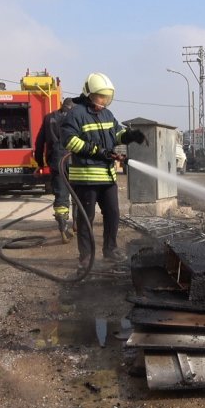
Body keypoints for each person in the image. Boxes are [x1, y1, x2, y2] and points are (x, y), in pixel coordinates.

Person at [60, 72, 146, 266]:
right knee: (86, 219)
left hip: (107, 177)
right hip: (86, 178)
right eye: (101, 96)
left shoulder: (107, 114)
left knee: (113, 214)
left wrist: (131, 136)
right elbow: (69, 140)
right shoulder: (76, 114)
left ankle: (110, 250)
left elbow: (117, 134)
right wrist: (98, 152)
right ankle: (86, 256)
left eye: (107, 96)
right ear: (89, 94)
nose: (104, 100)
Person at [35, 97, 76, 243]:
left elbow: (39, 142)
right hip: (74, 159)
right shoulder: (77, 116)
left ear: (61, 105)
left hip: (57, 160)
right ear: (73, 107)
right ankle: (77, 224)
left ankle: (63, 226)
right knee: (78, 192)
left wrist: (39, 162)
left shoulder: (49, 118)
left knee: (61, 194)